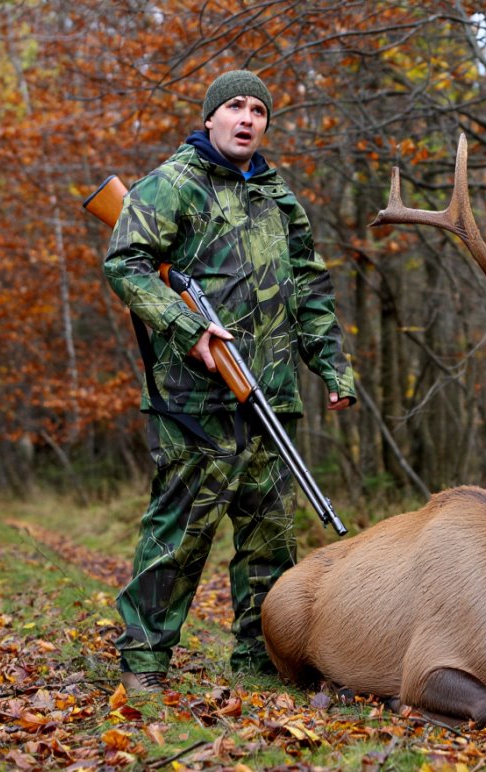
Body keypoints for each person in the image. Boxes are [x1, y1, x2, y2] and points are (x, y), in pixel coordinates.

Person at [103, 70, 356, 693]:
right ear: (211, 116)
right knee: (181, 535)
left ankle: (261, 665)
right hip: (193, 399)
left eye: (258, 110)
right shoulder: (171, 184)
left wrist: (331, 365)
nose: (247, 118)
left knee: (269, 539)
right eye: (235, 107)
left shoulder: (279, 197)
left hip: (269, 394)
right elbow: (125, 263)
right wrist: (187, 329)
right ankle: (143, 664)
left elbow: (310, 289)